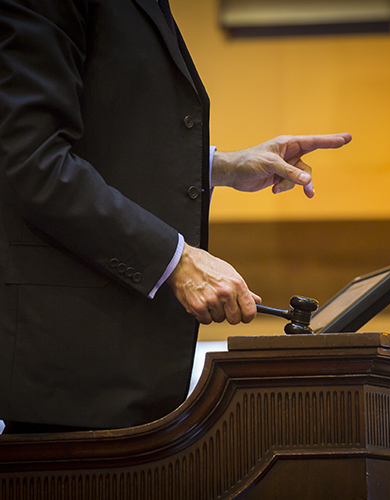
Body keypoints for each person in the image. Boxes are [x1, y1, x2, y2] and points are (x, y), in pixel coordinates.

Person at [0, 0, 351, 433]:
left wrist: (222, 165)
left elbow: (108, 140)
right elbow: (30, 159)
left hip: (120, 373)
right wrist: (176, 260)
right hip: (73, 372)